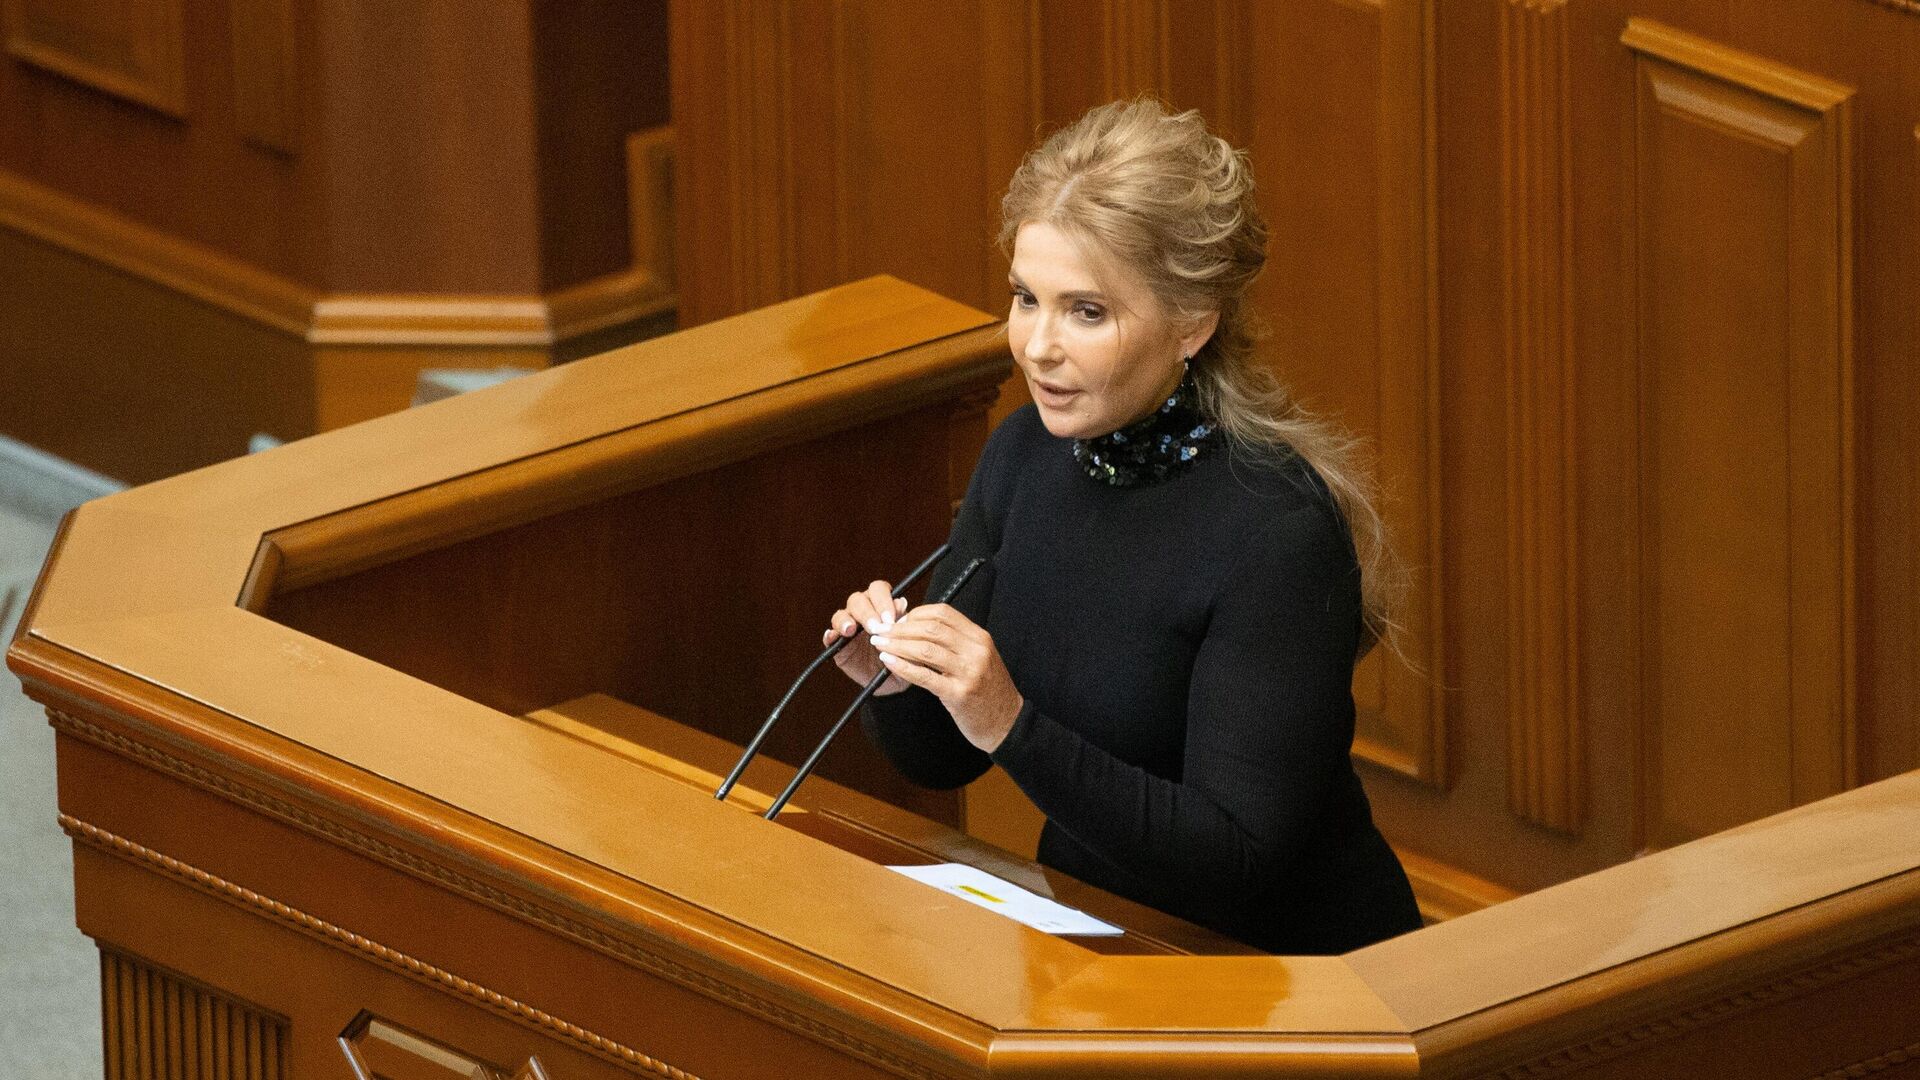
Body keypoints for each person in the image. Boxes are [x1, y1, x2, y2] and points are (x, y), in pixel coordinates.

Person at [822, 98, 1422, 955]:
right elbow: (948, 759)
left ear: (1193, 323)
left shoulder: (1276, 533)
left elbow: (1236, 858)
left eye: (1086, 312)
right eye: (1026, 298)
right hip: (1093, 941)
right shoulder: (1023, 455)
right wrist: (893, 683)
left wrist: (1010, 722)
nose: (1037, 346)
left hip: (1284, 975)